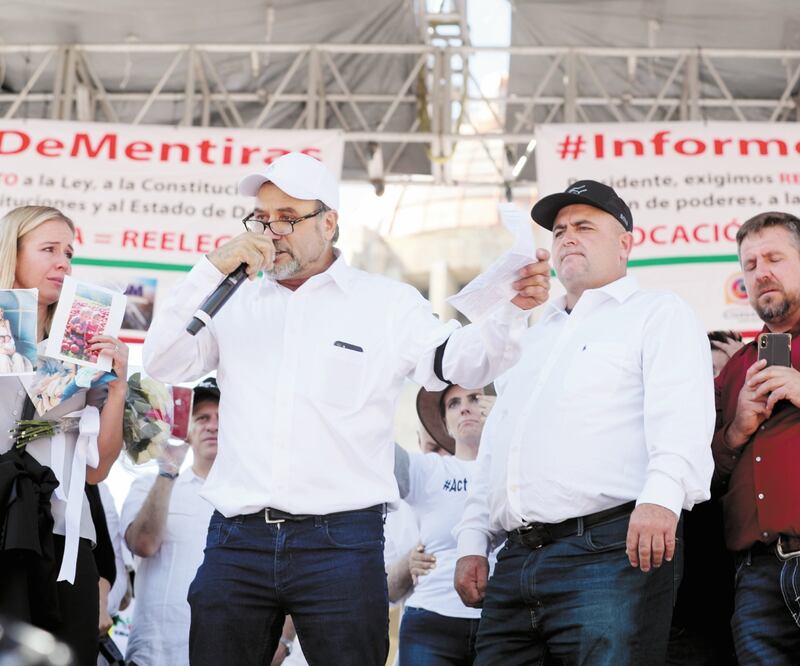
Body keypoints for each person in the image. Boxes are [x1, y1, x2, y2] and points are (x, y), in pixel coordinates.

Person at [142, 151, 551, 665]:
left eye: (287, 218)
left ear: (329, 223)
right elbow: (162, 360)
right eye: (261, 219)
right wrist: (211, 269)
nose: (271, 233)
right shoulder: (233, 299)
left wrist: (509, 311)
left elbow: (461, 362)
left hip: (341, 543)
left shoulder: (385, 303)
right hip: (237, 538)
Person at [454, 180, 716, 665]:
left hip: (611, 549)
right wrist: (472, 540)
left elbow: (682, 415)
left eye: (584, 226)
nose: (567, 237)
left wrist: (661, 500)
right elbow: (498, 448)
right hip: (516, 560)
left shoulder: (657, 313)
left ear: (625, 244)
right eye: (559, 231)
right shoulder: (531, 338)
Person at [0, 205, 129, 665]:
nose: (63, 263)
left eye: (69, 253)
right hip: (4, 530)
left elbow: (98, 470)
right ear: (12, 254)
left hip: (67, 536)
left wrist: (118, 387)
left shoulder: (81, 345)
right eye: (49, 249)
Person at [712, 212, 800, 663]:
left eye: (774, 258)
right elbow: (705, 475)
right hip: (756, 576)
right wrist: (736, 431)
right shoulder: (735, 369)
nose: (760, 272)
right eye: (749, 264)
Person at [121, 377, 220, 666]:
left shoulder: (253, 501)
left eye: (221, 418)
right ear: (186, 428)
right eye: (202, 418)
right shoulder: (147, 486)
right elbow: (143, 544)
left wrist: (283, 642)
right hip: (156, 653)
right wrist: (168, 470)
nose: (213, 426)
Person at [392, 385, 493, 666]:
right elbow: (374, 449)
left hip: (501, 624)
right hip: (431, 623)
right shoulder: (429, 470)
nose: (465, 408)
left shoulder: (515, 470)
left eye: (475, 398)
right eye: (453, 404)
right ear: (445, 425)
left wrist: (508, 418)